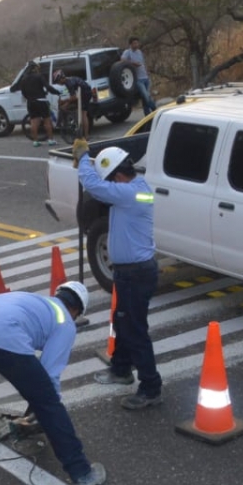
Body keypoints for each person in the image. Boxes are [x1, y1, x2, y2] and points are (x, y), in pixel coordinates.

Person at [0, 282, 107, 485]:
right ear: (77, 310)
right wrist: (42, 405)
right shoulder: (64, 320)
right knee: (48, 404)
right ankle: (82, 474)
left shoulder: (38, 302)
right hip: (2, 334)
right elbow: (49, 374)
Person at [76, 145, 163, 410]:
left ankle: (151, 387)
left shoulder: (130, 193)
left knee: (135, 330)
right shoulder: (138, 188)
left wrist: (81, 159)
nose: (110, 183)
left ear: (117, 176)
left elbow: (92, 185)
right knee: (122, 321)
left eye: (110, 178)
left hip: (135, 273)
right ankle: (121, 369)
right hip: (133, 272)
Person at [10, 61, 58, 147]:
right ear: (34, 68)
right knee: (47, 121)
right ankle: (51, 140)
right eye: (37, 68)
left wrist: (29, 98)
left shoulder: (24, 79)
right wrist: (57, 92)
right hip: (41, 101)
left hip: (31, 103)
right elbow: (48, 87)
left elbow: (23, 93)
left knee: (34, 122)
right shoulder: (39, 76)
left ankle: (35, 141)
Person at [53, 70, 94, 139]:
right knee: (75, 108)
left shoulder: (69, 83)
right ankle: (82, 132)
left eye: (58, 81)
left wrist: (65, 103)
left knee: (83, 114)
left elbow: (74, 97)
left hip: (85, 94)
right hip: (84, 92)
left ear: (61, 79)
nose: (59, 84)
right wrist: (65, 102)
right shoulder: (69, 79)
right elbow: (74, 96)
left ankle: (86, 136)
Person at [121, 37, 155, 116]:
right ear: (131, 44)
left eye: (137, 43)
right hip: (138, 79)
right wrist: (133, 63)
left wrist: (147, 72)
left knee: (145, 97)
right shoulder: (128, 52)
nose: (137, 45)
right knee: (146, 96)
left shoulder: (139, 52)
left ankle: (147, 115)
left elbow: (143, 63)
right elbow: (122, 60)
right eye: (135, 43)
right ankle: (154, 108)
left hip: (145, 77)